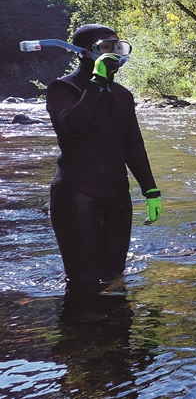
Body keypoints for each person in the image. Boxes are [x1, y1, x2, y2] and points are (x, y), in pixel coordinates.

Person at [46, 23, 162, 323]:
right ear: (87, 52)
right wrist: (97, 80)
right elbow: (75, 125)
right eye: (107, 47)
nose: (115, 55)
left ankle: (116, 346)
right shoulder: (63, 88)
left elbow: (134, 146)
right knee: (84, 281)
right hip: (77, 195)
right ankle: (80, 353)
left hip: (117, 197)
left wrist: (150, 189)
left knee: (113, 278)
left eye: (118, 47)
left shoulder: (122, 95)